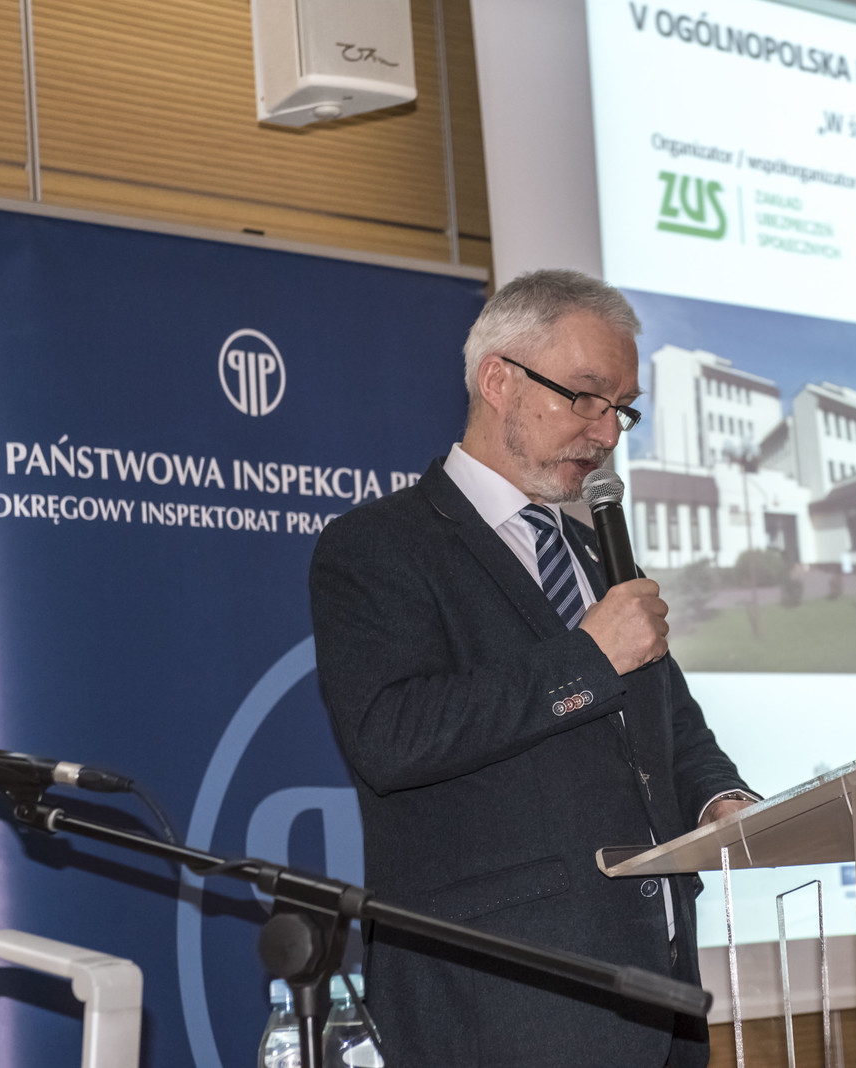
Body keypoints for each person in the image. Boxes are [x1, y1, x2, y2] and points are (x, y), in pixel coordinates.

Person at [309, 270, 757, 1068]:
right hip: (501, 1009)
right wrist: (588, 655)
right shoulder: (380, 546)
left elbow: (670, 725)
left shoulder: (597, 551)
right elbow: (392, 737)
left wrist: (719, 796)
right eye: (586, 397)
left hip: (662, 997)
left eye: (622, 408)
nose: (607, 432)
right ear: (497, 380)